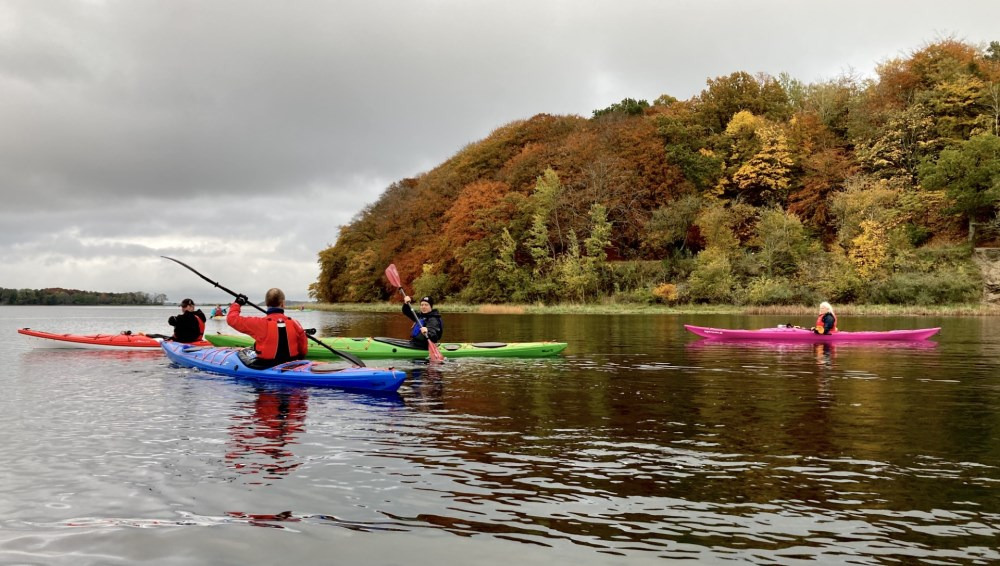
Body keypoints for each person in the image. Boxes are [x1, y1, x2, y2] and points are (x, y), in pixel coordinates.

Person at [226, 288, 308, 369]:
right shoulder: (295, 323)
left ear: (266, 303)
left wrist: (237, 304)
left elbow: (231, 319)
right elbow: (303, 349)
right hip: (293, 363)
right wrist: (299, 359)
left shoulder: (259, 323)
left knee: (241, 354)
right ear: (283, 304)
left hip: (266, 365)